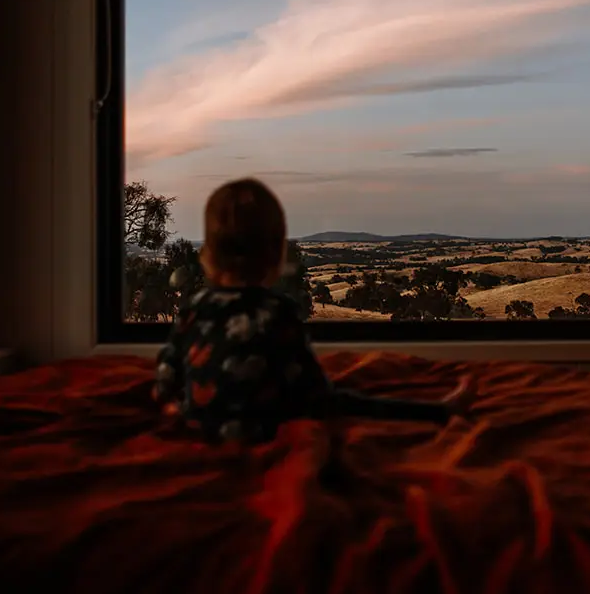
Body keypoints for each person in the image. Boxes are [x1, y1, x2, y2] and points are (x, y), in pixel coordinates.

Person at [153, 177, 477, 443]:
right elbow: (314, 392)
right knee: (346, 402)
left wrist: (175, 403)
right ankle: (439, 412)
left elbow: (165, 380)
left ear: (208, 252)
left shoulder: (193, 308)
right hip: (262, 431)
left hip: (201, 428)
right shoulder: (277, 311)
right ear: (276, 252)